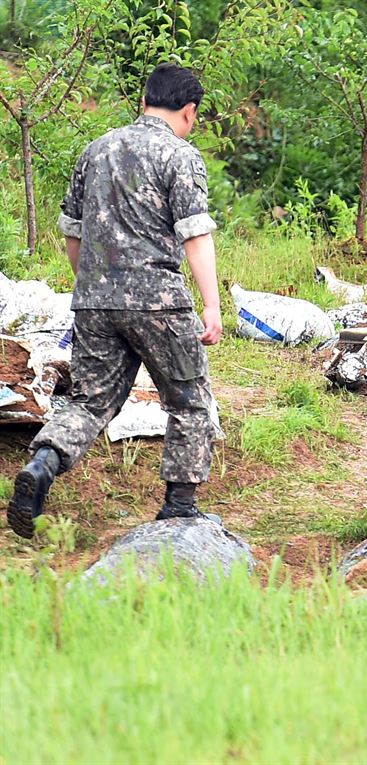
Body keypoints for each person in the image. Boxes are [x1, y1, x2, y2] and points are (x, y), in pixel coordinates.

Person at [7, 63, 222, 539]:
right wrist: (211, 304)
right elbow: (195, 234)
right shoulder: (181, 156)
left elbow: (72, 230)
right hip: (159, 303)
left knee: (90, 401)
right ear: (189, 111)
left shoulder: (96, 150)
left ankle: (42, 465)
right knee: (189, 401)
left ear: (145, 101)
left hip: (94, 300)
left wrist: (90, 285)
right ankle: (180, 507)